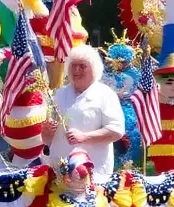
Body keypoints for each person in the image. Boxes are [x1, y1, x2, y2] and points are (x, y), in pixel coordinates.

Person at [42, 44, 125, 183]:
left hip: (93, 173)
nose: (76, 70)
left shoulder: (105, 95)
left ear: (94, 68)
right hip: (59, 173)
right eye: (73, 66)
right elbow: (47, 139)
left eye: (82, 66)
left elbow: (116, 131)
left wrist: (85, 137)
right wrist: (47, 132)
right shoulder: (59, 94)